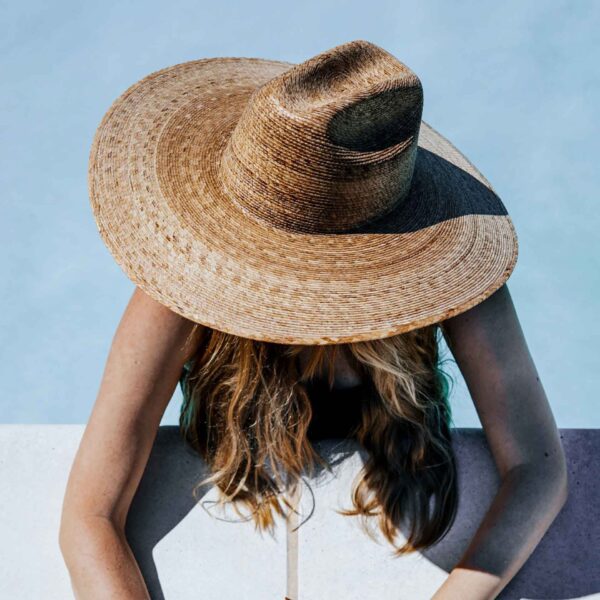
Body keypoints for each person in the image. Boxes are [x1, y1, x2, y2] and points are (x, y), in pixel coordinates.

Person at [59, 40, 568, 599]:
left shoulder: (456, 271)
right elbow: (89, 514)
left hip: (400, 463)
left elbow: (538, 468)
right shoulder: (182, 273)